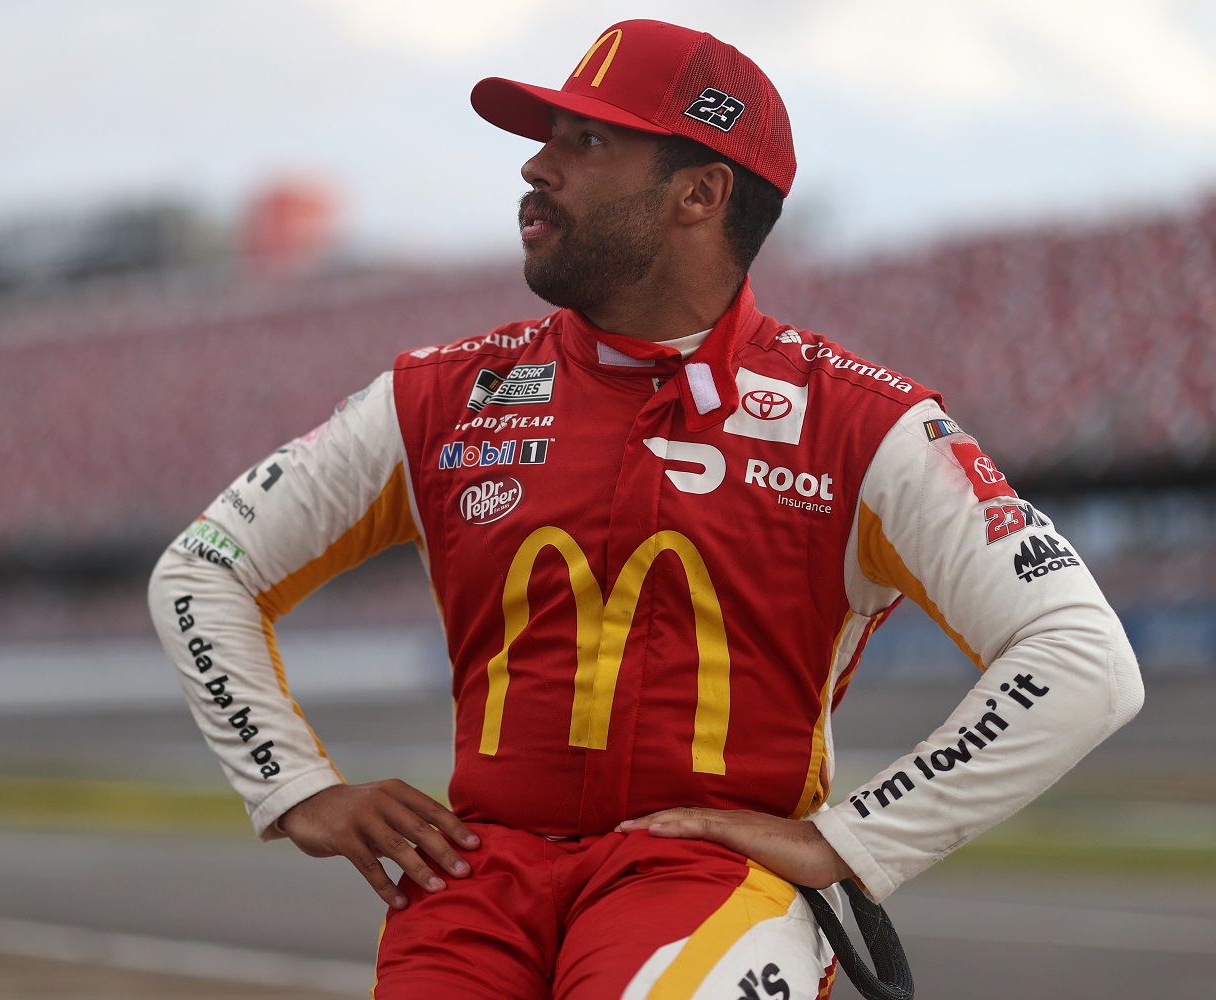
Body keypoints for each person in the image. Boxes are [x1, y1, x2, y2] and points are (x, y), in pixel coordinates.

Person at [148, 18, 1143, 999]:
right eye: (545, 139)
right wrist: (296, 785)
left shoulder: (865, 424)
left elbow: (1080, 660)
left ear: (700, 194)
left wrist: (848, 839)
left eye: (586, 141)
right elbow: (205, 566)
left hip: (706, 883)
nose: (537, 167)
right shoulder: (436, 395)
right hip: (470, 884)